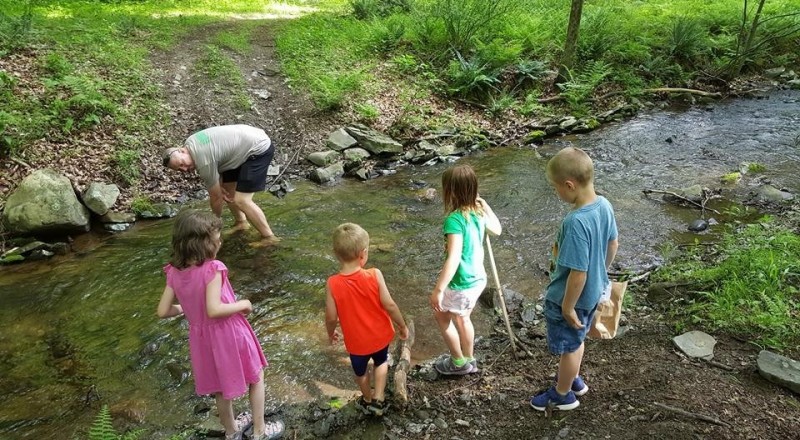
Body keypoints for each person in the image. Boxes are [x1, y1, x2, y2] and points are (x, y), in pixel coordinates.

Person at [157, 209, 285, 440]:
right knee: (256, 377)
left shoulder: (174, 272)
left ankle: (231, 432)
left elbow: (163, 311)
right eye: (217, 238)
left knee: (220, 387)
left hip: (202, 339)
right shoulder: (213, 268)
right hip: (228, 332)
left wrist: (189, 309)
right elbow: (214, 309)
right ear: (203, 244)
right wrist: (243, 304)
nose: (220, 241)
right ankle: (259, 432)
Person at [529, 147, 618, 412]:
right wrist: (602, 271)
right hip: (594, 293)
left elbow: (578, 273)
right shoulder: (604, 204)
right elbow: (613, 243)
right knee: (577, 340)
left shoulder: (576, 221)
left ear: (569, 185)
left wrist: (567, 307)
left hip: (571, 299)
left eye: (556, 188)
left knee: (570, 345)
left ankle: (563, 394)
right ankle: (573, 379)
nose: (557, 193)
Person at [325, 223, 409, 416]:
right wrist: (402, 325)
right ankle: (379, 397)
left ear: (336, 254)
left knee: (360, 373)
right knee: (381, 363)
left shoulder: (332, 283)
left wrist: (331, 333)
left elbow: (331, 317)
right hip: (380, 336)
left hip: (356, 344)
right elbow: (390, 305)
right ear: (363, 254)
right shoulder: (374, 274)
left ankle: (367, 399)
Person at [429, 164, 502, 375]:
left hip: (462, 281)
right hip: (478, 278)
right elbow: (497, 229)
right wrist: (485, 205)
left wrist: (439, 289)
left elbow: (453, 258)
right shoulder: (478, 212)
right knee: (463, 318)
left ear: (450, 192)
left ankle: (459, 362)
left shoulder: (455, 220)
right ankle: (470, 359)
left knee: (442, 317)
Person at [162, 125, 278, 244]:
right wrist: (219, 184)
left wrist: (213, 226)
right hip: (241, 148)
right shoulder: (190, 142)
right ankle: (241, 223)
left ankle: (269, 237)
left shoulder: (202, 161)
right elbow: (217, 155)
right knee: (228, 192)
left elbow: (216, 198)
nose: (185, 169)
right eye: (180, 169)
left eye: (182, 163)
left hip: (258, 149)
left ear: (182, 150)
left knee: (242, 200)